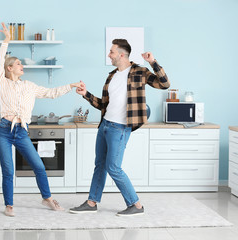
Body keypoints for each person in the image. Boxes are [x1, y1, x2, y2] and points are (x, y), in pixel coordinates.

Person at [70, 39, 170, 216]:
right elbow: (103, 104)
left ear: (121, 54)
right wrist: (86, 95)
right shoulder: (112, 75)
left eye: (111, 52)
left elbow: (164, 84)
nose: (109, 55)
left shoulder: (140, 71)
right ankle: (92, 202)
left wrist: (153, 62)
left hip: (120, 128)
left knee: (113, 167)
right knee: (99, 165)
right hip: (105, 125)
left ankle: (136, 205)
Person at [0, 22, 82, 217]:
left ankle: (47, 198)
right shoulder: (2, 83)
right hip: (3, 131)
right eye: (18, 64)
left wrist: (70, 85)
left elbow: (51, 93)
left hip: (21, 131)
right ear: (9, 68)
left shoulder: (29, 86)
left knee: (39, 167)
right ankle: (9, 205)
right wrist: (6, 41)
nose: (21, 66)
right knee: (8, 170)